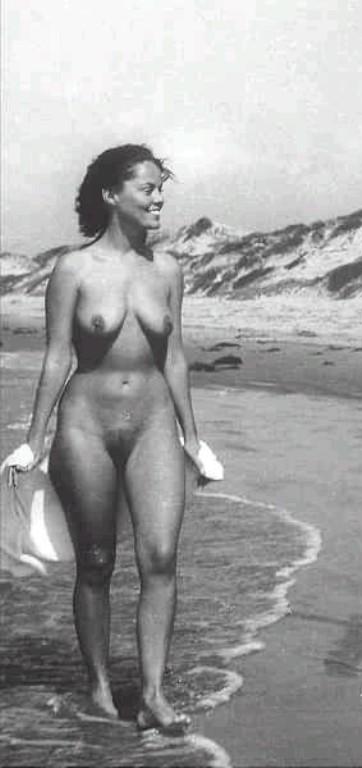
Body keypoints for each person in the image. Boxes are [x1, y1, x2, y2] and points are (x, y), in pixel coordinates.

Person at [9, 144, 206, 733]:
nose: (158, 198)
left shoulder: (167, 269)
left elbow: (174, 356)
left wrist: (193, 437)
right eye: (147, 188)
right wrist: (33, 439)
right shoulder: (73, 269)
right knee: (96, 562)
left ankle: (153, 695)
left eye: (160, 188)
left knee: (161, 557)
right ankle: (98, 688)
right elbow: (56, 357)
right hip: (85, 427)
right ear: (111, 195)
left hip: (152, 426)